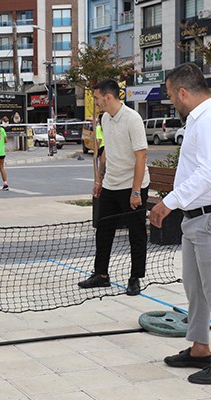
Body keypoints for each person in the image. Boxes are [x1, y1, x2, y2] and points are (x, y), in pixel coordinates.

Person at [150, 63, 211, 385]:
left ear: (182, 92)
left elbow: (207, 174)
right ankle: (200, 349)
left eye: (170, 95)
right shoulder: (200, 119)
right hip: (199, 221)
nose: (170, 101)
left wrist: (168, 202)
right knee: (197, 290)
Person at [78, 79, 149, 296]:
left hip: (132, 186)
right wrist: (99, 181)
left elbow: (141, 156)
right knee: (104, 231)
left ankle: (135, 277)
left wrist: (136, 191)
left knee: (136, 234)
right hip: (111, 184)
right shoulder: (105, 119)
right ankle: (101, 275)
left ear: (108, 97)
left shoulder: (132, 119)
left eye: (97, 98)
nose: (96, 102)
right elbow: (106, 150)